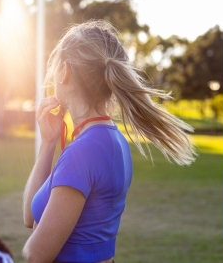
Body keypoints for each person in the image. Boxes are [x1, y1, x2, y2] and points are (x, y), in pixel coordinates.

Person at [22, 20, 197, 263]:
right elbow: (29, 218)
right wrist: (48, 143)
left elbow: (35, 255)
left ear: (65, 72)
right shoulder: (113, 139)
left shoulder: (83, 152)